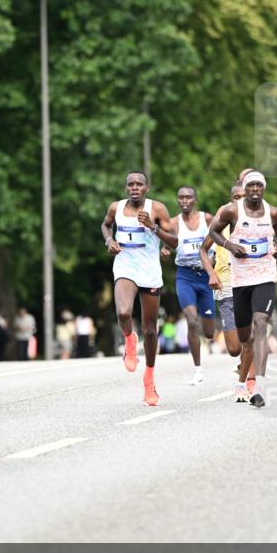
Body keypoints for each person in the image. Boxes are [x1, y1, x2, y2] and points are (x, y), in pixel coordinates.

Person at [207, 171, 277, 408]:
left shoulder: (273, 213)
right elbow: (212, 232)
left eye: (258, 186)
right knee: (245, 338)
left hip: (265, 275)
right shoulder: (232, 211)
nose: (254, 189)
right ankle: (242, 376)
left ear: (263, 189)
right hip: (239, 280)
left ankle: (259, 385)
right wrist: (229, 245)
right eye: (250, 185)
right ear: (244, 187)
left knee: (261, 324)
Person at [101, 170, 177, 406]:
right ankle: (129, 340)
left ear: (147, 187)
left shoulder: (157, 209)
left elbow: (174, 241)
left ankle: (149, 379)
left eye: (139, 184)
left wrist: (153, 227)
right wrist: (109, 240)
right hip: (125, 266)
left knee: (151, 330)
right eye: (130, 184)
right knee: (123, 312)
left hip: (150, 271)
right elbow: (105, 225)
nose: (135, 187)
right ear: (126, 188)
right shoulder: (116, 207)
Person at [200, 182, 255, 402]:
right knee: (233, 347)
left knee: (251, 336)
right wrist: (211, 273)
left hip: (251, 283)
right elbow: (203, 250)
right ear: (231, 199)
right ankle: (242, 363)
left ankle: (247, 381)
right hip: (226, 285)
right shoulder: (221, 222)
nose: (240, 200)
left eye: (243, 196)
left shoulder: (258, 222)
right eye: (236, 197)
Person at [166, 186, 215, 385]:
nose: (184, 200)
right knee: (191, 319)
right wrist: (165, 250)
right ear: (178, 200)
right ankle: (197, 369)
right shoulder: (173, 223)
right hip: (185, 276)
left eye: (188, 197)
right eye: (181, 198)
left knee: (210, 332)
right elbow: (168, 242)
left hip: (206, 277)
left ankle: (207, 334)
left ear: (195, 199)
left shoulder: (208, 219)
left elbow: (218, 239)